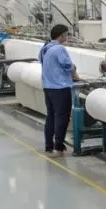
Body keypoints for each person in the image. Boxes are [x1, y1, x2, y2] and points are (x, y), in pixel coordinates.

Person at [39, 24, 80, 156]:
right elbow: (68, 65)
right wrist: (75, 74)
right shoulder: (59, 49)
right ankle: (59, 146)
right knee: (62, 117)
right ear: (61, 35)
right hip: (60, 88)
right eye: (66, 34)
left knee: (51, 116)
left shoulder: (45, 48)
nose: (67, 37)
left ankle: (49, 146)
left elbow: (42, 61)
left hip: (48, 87)